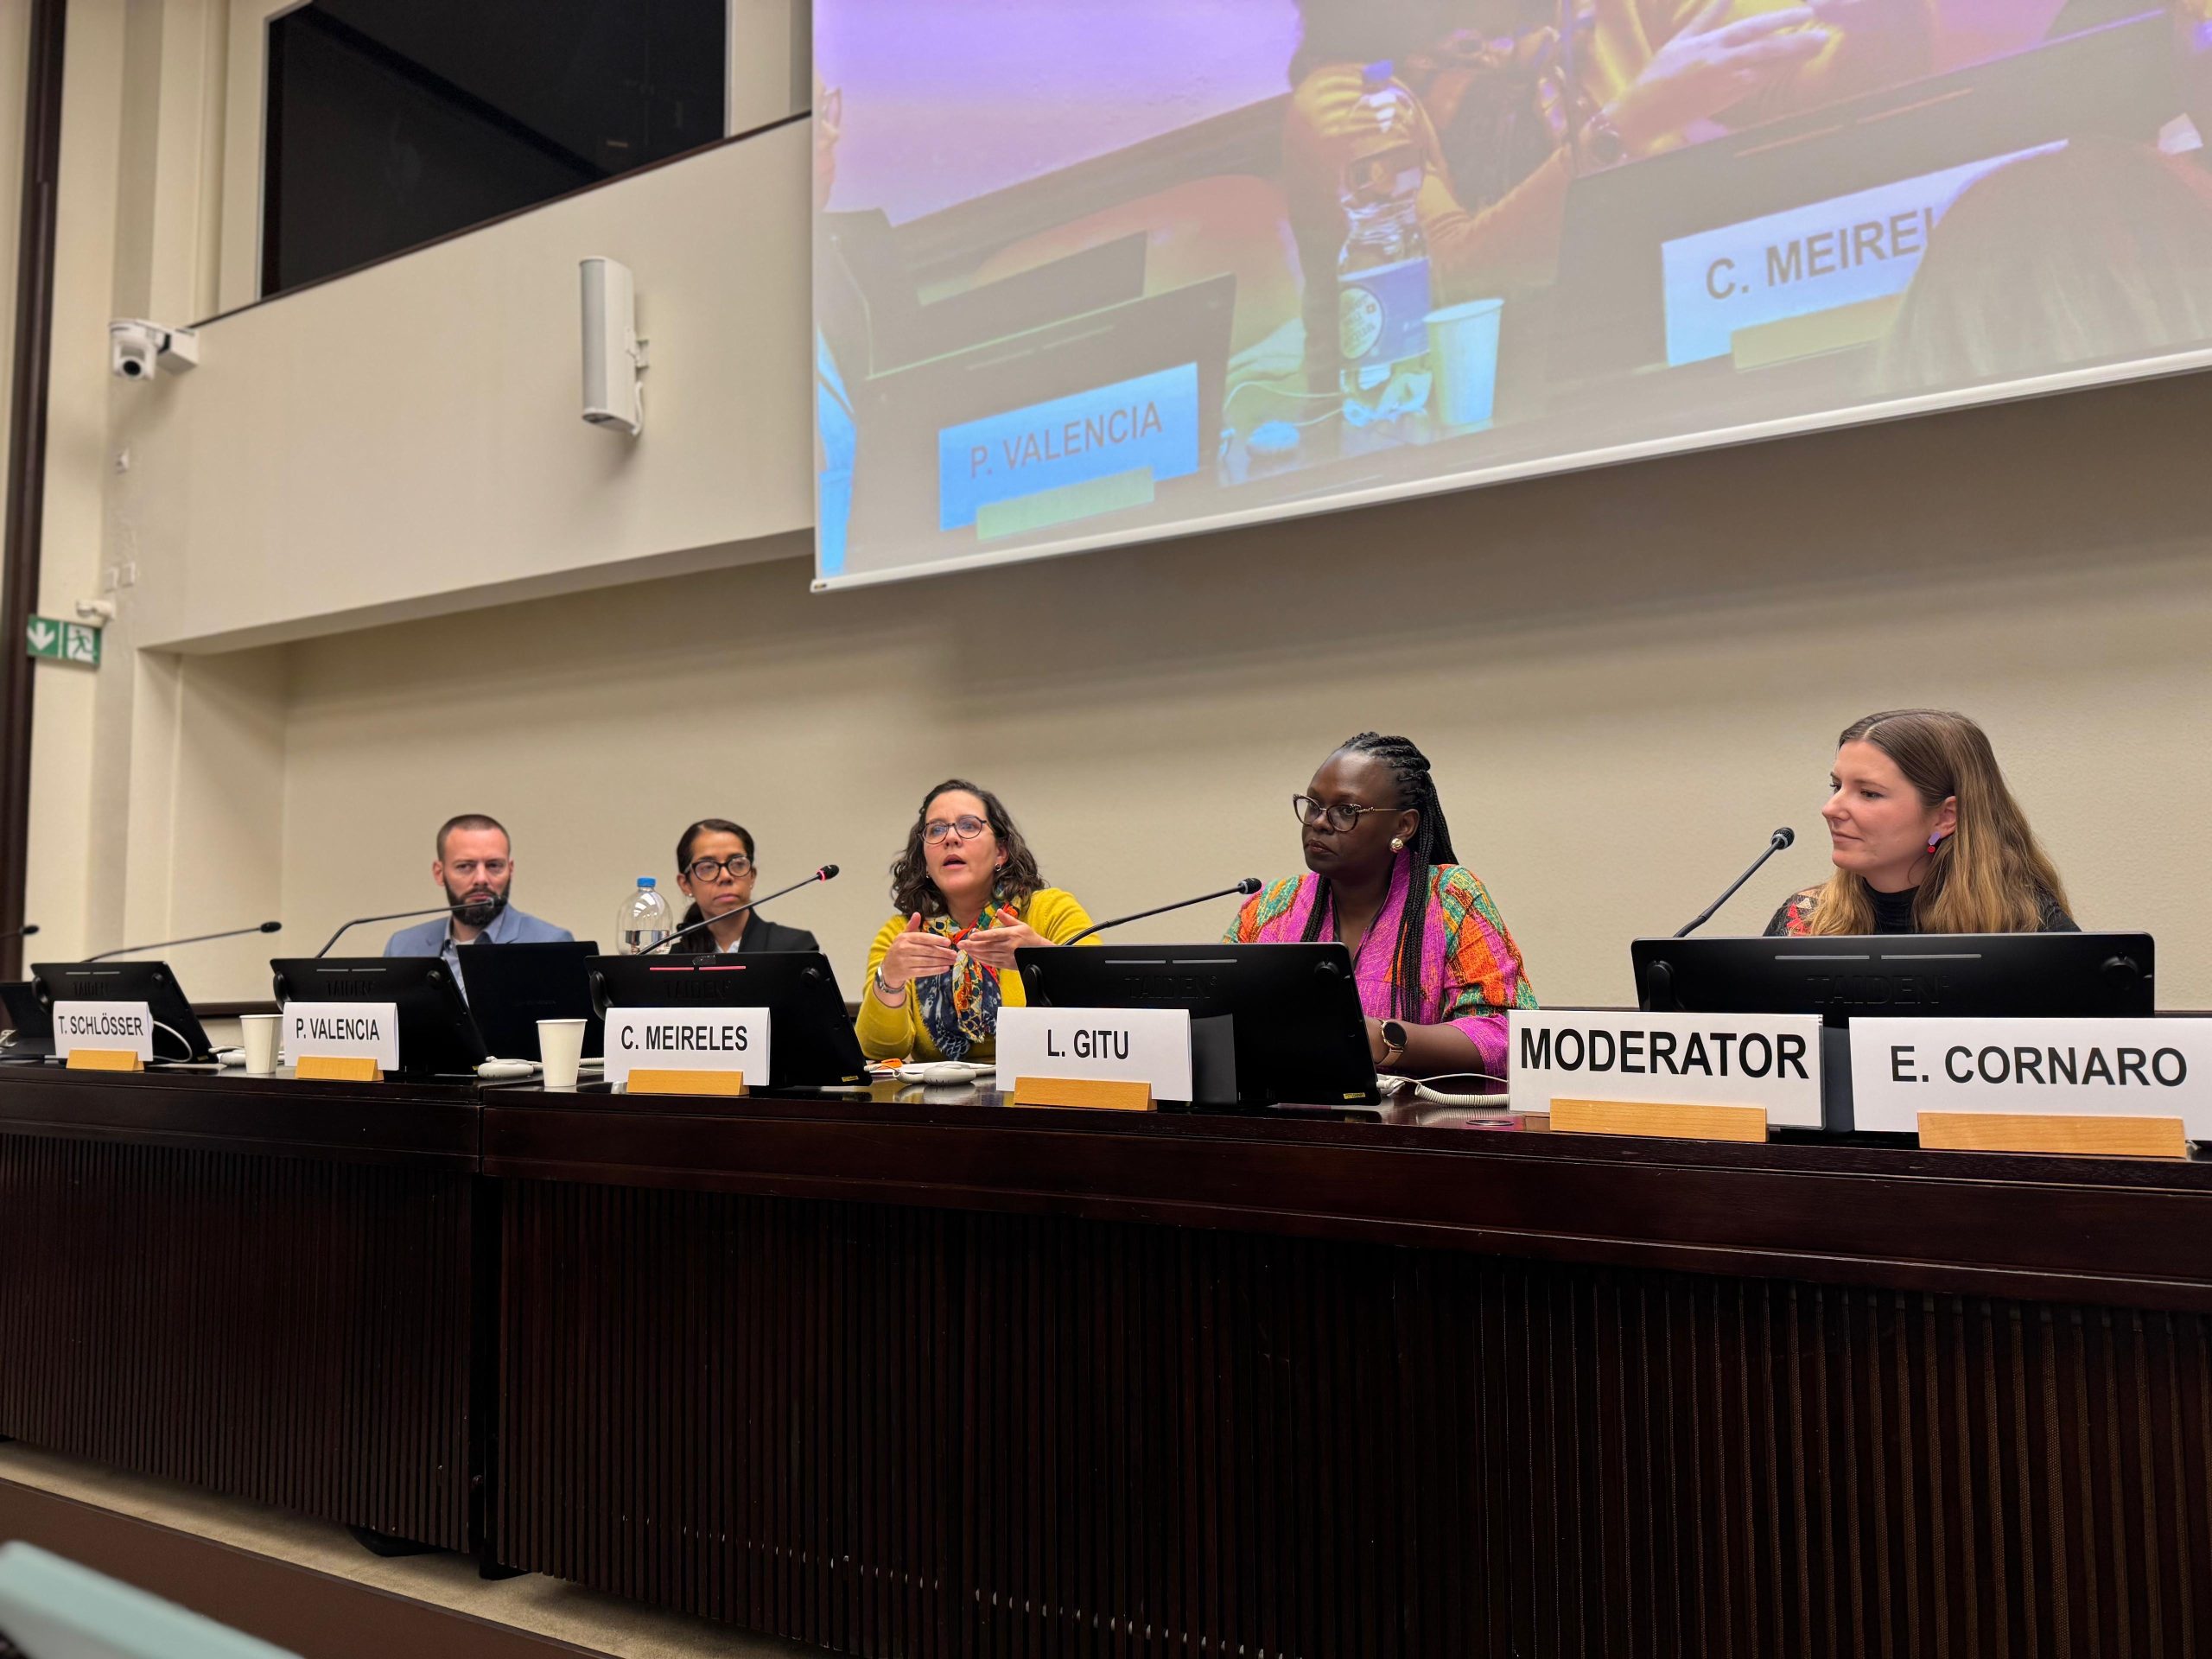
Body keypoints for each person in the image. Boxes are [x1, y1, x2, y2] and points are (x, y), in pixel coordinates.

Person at [1227, 732, 1536, 1084]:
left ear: (1403, 826)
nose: (1319, 822)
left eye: (1347, 811)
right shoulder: (1271, 906)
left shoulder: (1449, 897)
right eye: (1313, 804)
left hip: (1413, 1128)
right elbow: (1217, 1014)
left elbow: (1507, 1036)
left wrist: (1382, 1038)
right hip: (1283, 1122)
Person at [1765, 709, 2078, 936]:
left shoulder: (2029, 926)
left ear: (1946, 817)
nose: (1830, 809)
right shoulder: (1805, 920)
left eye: (1869, 793)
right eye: (1837, 787)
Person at [857, 780, 1096, 1063]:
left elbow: (1103, 1004)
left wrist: (1041, 959)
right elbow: (878, 1050)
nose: (951, 838)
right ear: (925, 860)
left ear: (1000, 852)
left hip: (1041, 1093)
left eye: (969, 826)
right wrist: (892, 978)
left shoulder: (1050, 910)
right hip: (939, 1102)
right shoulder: (903, 934)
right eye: (936, 830)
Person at [384, 814, 573, 994]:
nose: (481, 879)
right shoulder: (402, 947)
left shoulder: (550, 944)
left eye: (494, 865)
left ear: (510, 869)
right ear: (439, 873)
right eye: (465, 866)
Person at [670, 818, 821, 954]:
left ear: (752, 876)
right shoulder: (670, 960)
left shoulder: (795, 948)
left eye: (738, 864)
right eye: (708, 866)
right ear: (685, 884)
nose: (725, 876)